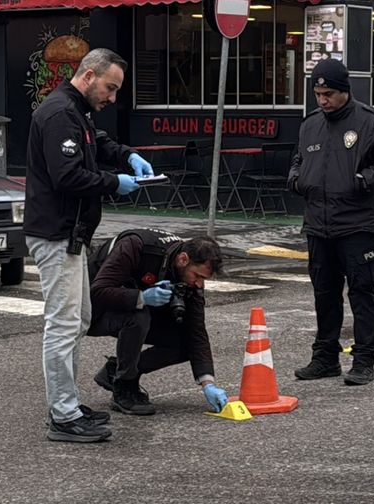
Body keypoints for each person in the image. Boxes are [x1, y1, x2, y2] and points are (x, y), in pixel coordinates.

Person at [25, 48, 154, 443]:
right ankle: (63, 416)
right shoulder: (60, 112)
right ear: (89, 74)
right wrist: (117, 182)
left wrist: (128, 154)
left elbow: (95, 142)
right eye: (110, 88)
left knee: (76, 321)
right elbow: (68, 176)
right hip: (57, 232)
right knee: (64, 325)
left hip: (70, 233)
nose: (113, 98)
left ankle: (68, 405)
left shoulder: (75, 111)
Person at [287, 59, 374, 386]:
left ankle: (364, 359)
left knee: (363, 291)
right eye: (317, 93)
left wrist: (362, 181)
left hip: (358, 224)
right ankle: (325, 357)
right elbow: (298, 161)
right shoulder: (310, 124)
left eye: (328, 94)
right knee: (324, 292)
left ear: (345, 91)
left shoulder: (371, 122)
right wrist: (296, 179)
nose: (322, 100)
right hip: (318, 224)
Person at [87, 229, 228, 416]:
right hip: (91, 311)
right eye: (198, 276)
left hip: (126, 306)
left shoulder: (186, 274)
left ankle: (115, 371)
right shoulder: (136, 246)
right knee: (138, 316)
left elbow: (196, 330)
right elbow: (97, 291)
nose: (199, 285)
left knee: (187, 339)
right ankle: (124, 387)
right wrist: (141, 297)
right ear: (183, 259)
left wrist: (208, 384)